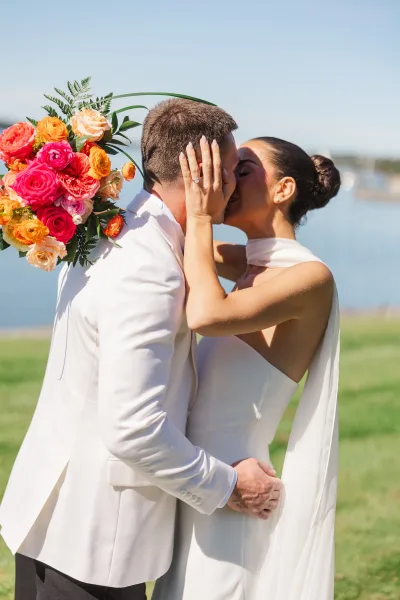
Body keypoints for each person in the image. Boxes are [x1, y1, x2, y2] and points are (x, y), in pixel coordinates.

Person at [0, 102, 281, 600]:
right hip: (93, 538)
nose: (235, 183)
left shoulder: (117, 227)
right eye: (233, 169)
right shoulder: (149, 270)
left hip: (63, 522)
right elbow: (133, 427)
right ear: (205, 172)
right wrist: (228, 485)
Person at [153, 136, 341, 600]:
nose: (227, 178)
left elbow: (207, 317)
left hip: (237, 489)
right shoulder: (250, 264)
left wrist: (200, 216)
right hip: (197, 480)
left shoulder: (309, 278)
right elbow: (170, 241)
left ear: (283, 190)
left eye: (242, 169)